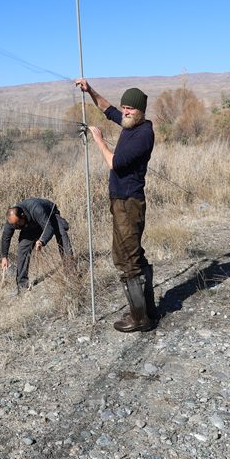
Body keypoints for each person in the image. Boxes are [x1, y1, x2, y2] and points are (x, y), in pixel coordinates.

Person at [74, 78, 156, 332]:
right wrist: (90, 91)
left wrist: (98, 138)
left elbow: (114, 163)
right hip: (122, 201)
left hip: (128, 203)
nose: (125, 112)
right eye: (124, 107)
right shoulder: (131, 124)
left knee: (125, 259)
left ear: (141, 111)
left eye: (130, 109)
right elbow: (108, 109)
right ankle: (148, 309)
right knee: (134, 255)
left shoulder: (142, 134)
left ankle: (140, 319)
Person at [0, 198, 74, 294]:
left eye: (17, 224)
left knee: (62, 235)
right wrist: (4, 257)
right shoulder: (12, 221)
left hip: (50, 217)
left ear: (23, 215)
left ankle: (71, 274)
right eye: (14, 225)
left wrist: (42, 241)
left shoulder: (36, 209)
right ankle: (22, 286)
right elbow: (6, 237)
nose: (16, 227)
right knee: (22, 248)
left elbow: (48, 228)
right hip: (31, 226)